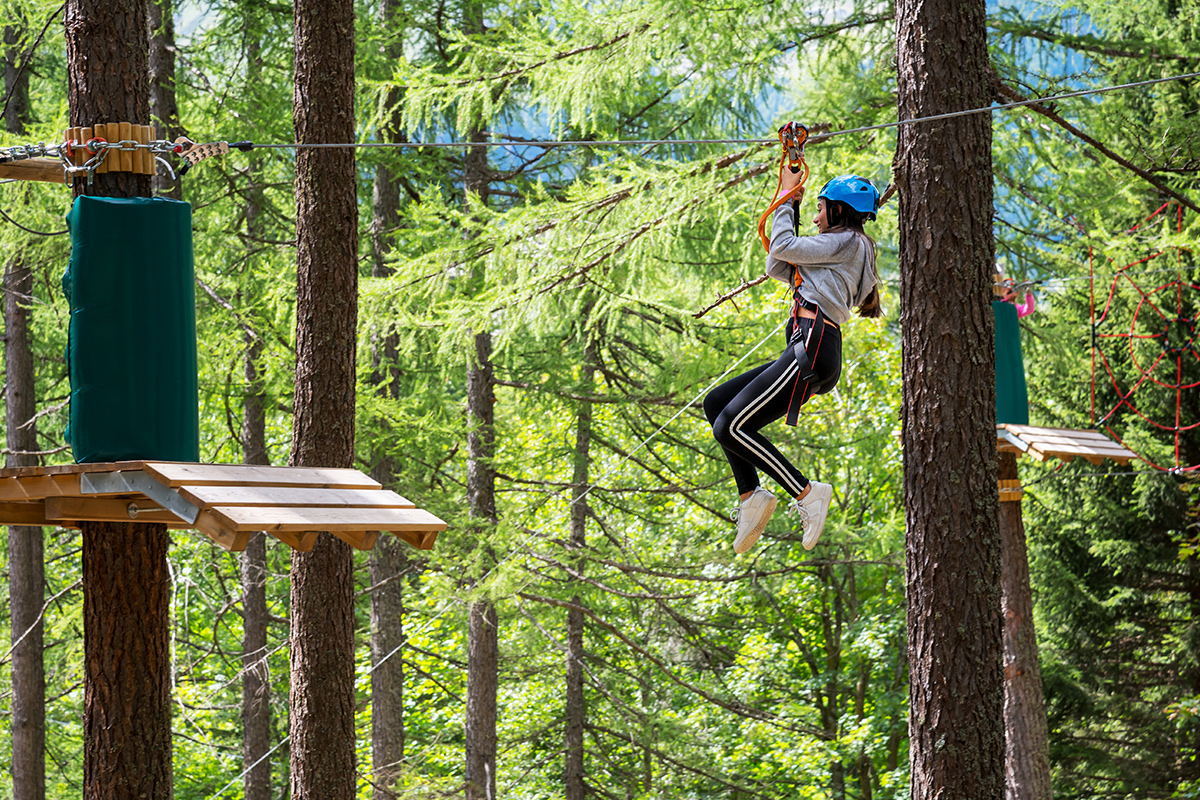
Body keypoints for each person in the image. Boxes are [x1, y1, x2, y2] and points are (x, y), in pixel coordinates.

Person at [704, 172, 883, 554]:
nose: (817, 219)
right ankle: (751, 495)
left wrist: (786, 199)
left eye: (819, 209)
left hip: (813, 342)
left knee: (730, 427)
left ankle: (806, 491)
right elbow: (778, 264)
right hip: (811, 344)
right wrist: (794, 204)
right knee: (716, 405)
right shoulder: (842, 247)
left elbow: (784, 244)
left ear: (838, 210)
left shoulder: (850, 242)